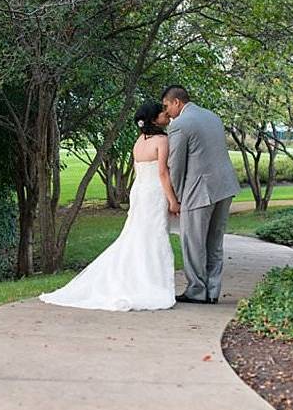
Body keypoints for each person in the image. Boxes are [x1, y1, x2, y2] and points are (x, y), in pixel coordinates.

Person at [38, 102, 179, 311]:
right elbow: (162, 173)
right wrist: (173, 200)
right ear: (153, 119)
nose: (166, 115)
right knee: (154, 235)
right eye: (162, 113)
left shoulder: (139, 142)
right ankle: (151, 283)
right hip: (154, 192)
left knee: (137, 234)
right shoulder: (162, 140)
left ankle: (134, 278)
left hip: (140, 192)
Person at [162, 85, 241, 304]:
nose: (167, 111)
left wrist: (175, 199)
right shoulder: (212, 116)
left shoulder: (179, 125)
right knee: (215, 241)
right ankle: (213, 291)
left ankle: (197, 290)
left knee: (193, 242)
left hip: (200, 190)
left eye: (167, 106)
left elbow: (175, 166)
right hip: (225, 186)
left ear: (177, 102)